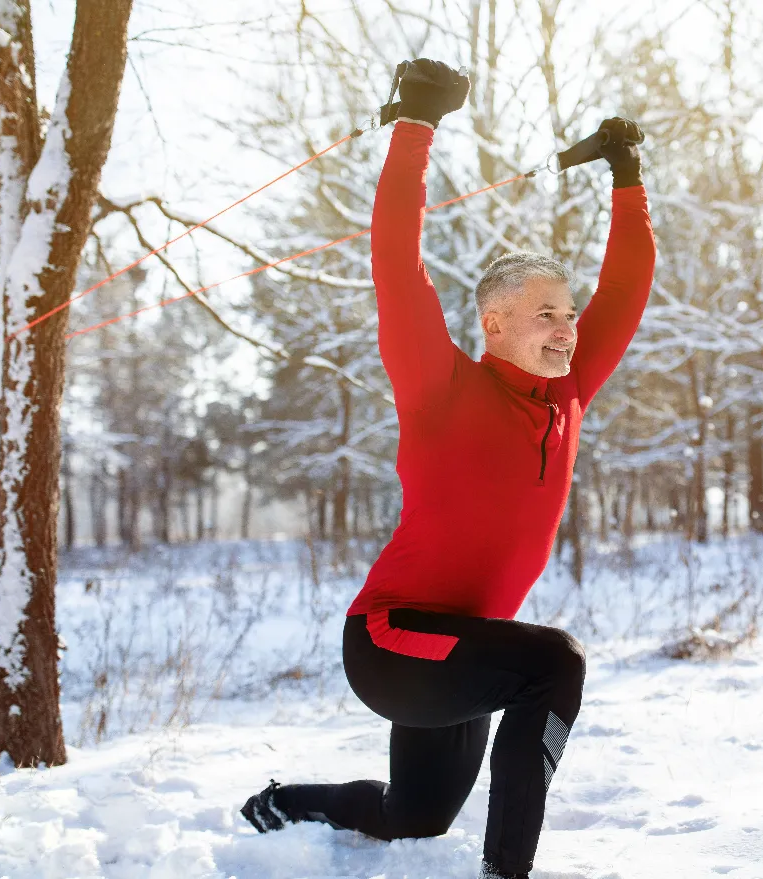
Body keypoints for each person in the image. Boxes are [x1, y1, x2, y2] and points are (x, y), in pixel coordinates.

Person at [240, 58, 656, 879]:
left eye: (569, 314)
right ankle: (507, 872)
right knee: (557, 661)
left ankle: (286, 802)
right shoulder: (443, 386)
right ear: (494, 322)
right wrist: (416, 127)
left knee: (418, 815)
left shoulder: (566, 396)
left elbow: (629, 287)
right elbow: (398, 264)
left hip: (465, 651)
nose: (568, 328)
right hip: (392, 644)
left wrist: (628, 178)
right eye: (546, 313)